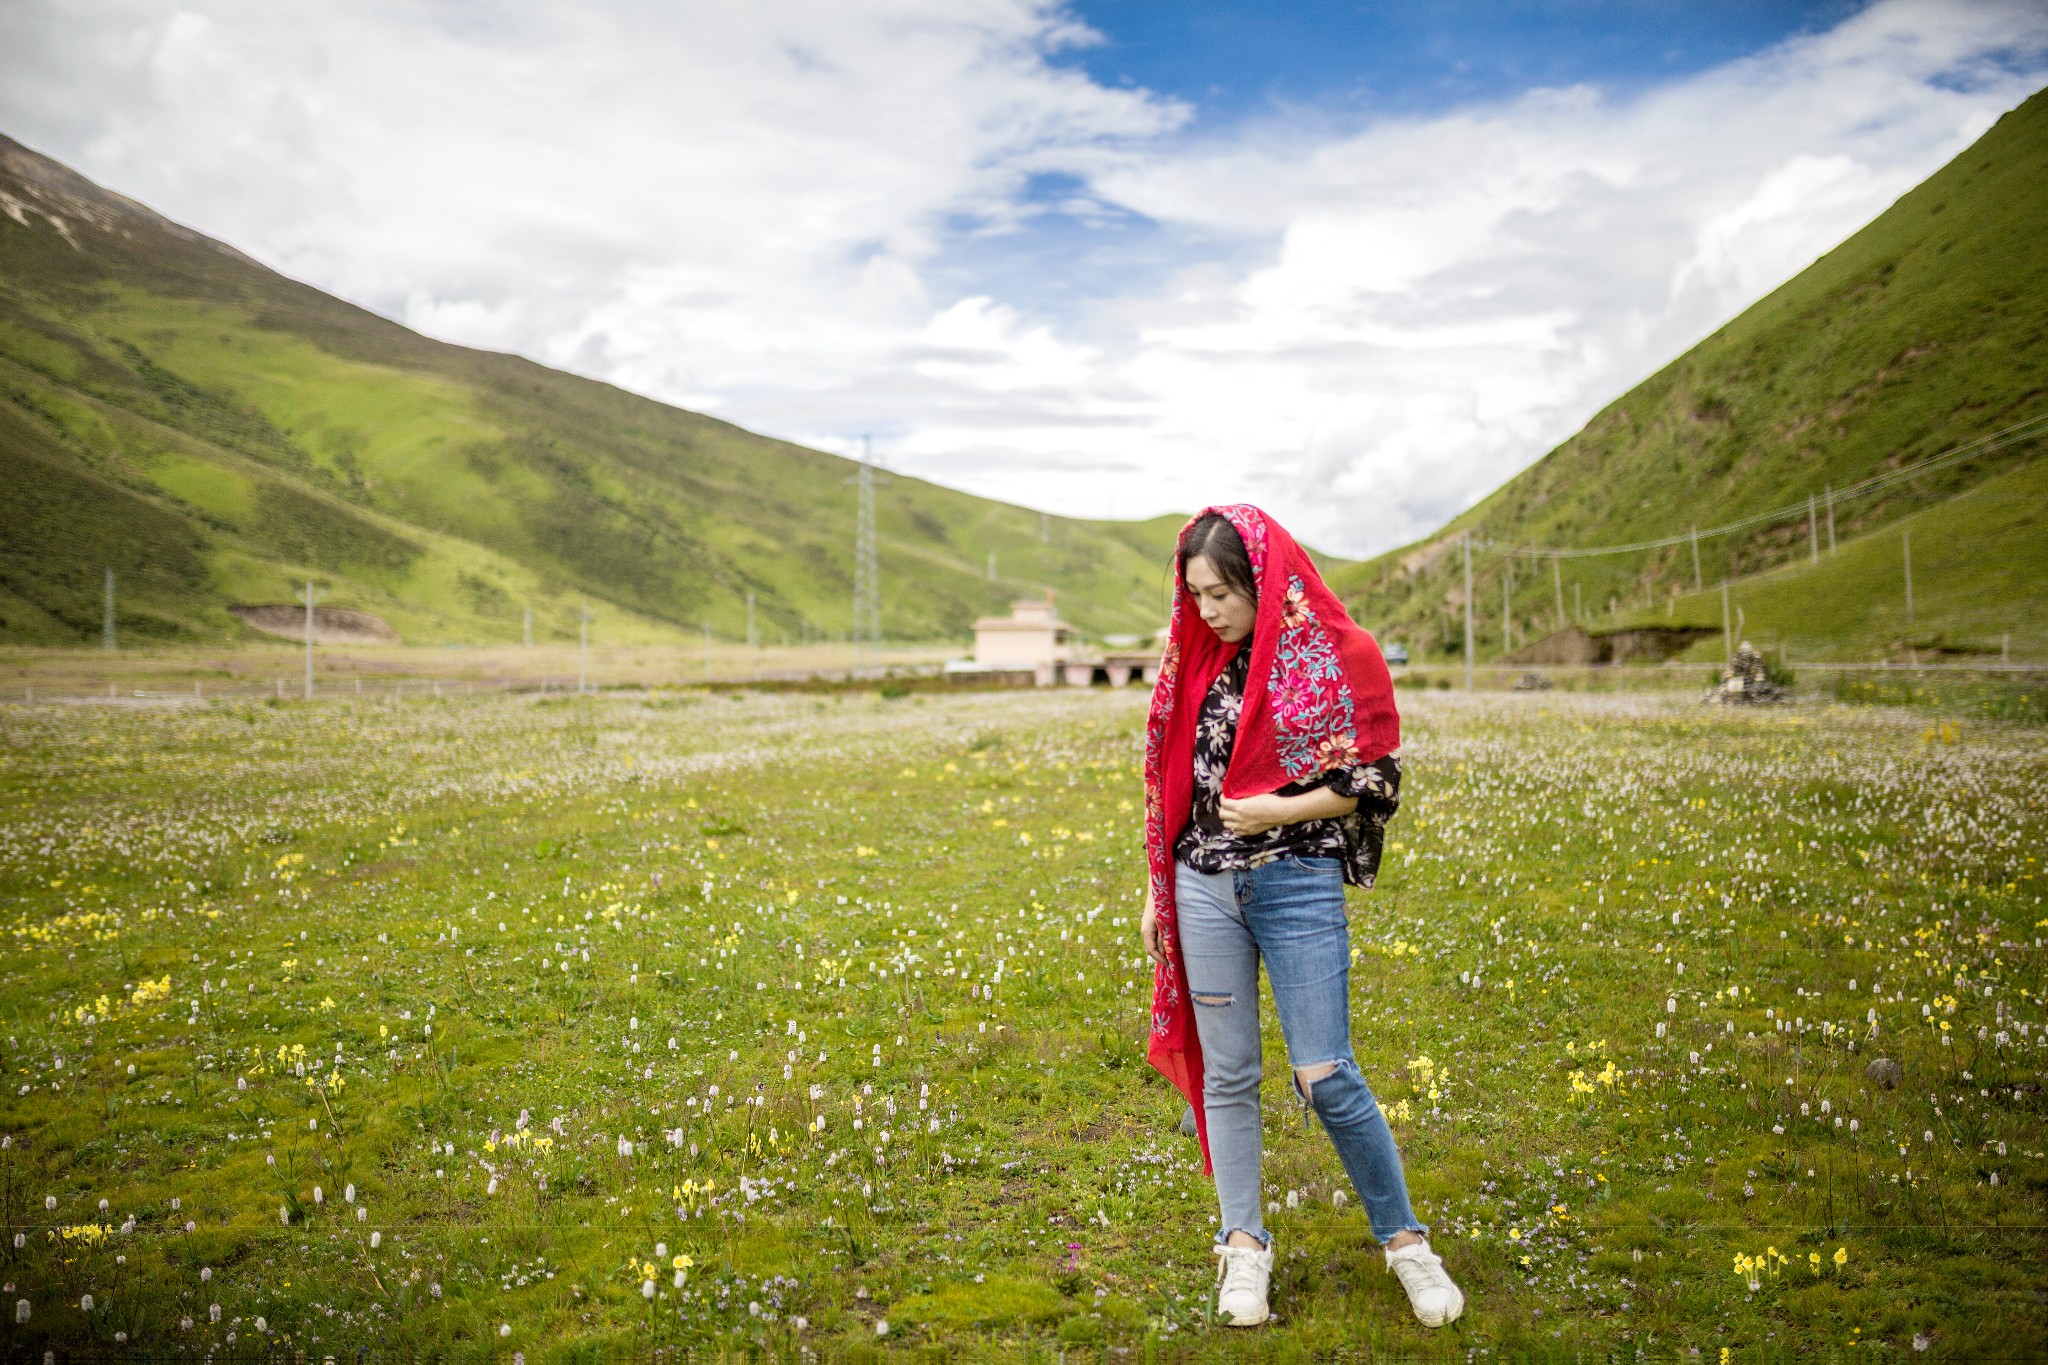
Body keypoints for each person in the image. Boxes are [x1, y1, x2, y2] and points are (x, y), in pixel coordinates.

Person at [1138, 505, 1464, 1329]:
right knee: (1230, 1073)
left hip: (1297, 882)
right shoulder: (1199, 665)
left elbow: (1377, 778)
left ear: (1262, 579)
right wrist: (1154, 887)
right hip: (1202, 886)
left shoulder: (1337, 656)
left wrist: (1276, 814)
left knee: (1326, 1073)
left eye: (1220, 593)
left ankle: (1405, 1242)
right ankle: (1242, 1245)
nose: (1205, 610)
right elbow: (1175, 780)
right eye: (1195, 593)